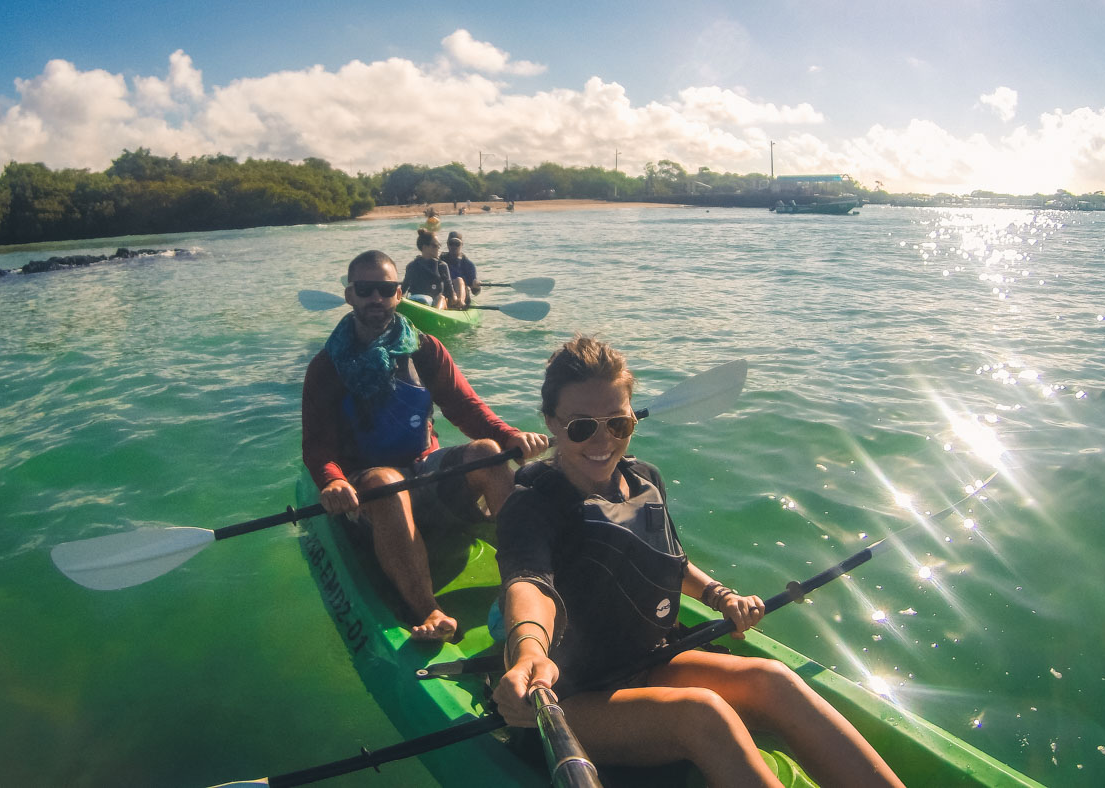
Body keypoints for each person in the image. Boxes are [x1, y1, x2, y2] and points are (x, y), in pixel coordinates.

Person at [492, 337, 904, 787]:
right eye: (581, 427)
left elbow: (667, 563)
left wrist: (719, 595)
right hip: (566, 698)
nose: (602, 440)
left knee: (773, 680)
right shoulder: (532, 504)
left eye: (619, 423)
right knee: (702, 714)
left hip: (646, 663)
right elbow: (529, 584)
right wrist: (529, 650)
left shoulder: (643, 479)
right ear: (551, 422)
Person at [302, 250, 548, 641]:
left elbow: (466, 407)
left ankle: (527, 578)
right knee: (383, 480)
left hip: (423, 470)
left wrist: (509, 437)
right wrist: (332, 481)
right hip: (370, 488)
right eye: (365, 290)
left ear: (399, 294)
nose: (376, 299)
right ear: (350, 295)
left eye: (385, 290)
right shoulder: (325, 366)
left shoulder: (425, 348)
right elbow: (317, 446)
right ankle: (427, 609)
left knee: (486, 452)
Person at [402, 229, 456, 309]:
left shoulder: (441, 266)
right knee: (441, 298)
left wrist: (454, 300)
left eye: (439, 245)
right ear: (424, 247)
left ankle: (437, 312)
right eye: (435, 245)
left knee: (441, 298)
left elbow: (449, 290)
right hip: (416, 302)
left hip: (434, 304)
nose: (438, 248)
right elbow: (403, 289)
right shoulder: (412, 266)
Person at [439, 231, 481, 308]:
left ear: (461, 245)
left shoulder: (468, 265)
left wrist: (476, 287)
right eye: (451, 243)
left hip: (463, 296)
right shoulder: (440, 261)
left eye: (457, 244)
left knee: (458, 280)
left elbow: (475, 292)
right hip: (445, 295)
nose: (454, 246)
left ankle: (459, 303)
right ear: (447, 244)